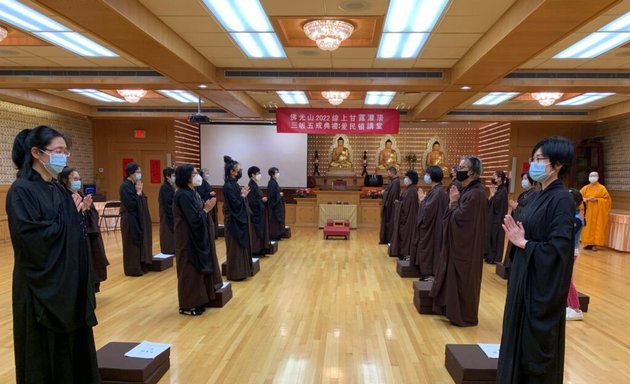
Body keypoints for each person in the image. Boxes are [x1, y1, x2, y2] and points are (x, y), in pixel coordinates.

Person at [7, 126, 100, 383]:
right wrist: (68, 217)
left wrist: (76, 215)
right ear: (37, 153)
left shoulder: (59, 190)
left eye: (65, 152)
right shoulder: (21, 191)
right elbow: (32, 241)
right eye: (58, 151)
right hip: (40, 287)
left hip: (68, 285)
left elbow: (73, 233)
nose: (63, 158)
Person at [497, 136, 575, 383]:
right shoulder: (537, 194)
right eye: (533, 159)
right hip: (523, 275)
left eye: (540, 159)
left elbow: (559, 249)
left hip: (539, 285)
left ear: (558, 164)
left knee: (532, 350)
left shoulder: (561, 199)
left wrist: (524, 243)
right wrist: (517, 238)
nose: (534, 164)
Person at [430, 156, 487, 326]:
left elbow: (461, 221)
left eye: (461, 167)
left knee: (463, 281)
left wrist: (453, 203)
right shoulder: (468, 191)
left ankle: (463, 315)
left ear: (471, 171)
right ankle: (451, 309)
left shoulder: (476, 194)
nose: (457, 170)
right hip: (460, 245)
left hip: (465, 248)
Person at [173, 164, 219, 316]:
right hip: (187, 238)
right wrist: (206, 209)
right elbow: (193, 219)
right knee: (189, 270)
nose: (197, 176)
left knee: (197, 270)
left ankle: (198, 300)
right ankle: (187, 304)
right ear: (185, 177)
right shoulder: (182, 194)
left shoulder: (193, 192)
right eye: (193, 174)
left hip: (197, 236)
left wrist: (205, 209)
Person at [59, 167, 109, 293]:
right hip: (76, 239)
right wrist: (80, 210)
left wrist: (86, 209)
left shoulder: (81, 195)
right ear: (65, 180)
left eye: (79, 179)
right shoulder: (62, 196)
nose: (78, 181)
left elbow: (93, 215)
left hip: (90, 236)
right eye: (75, 179)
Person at [411, 165, 449, 280]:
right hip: (434, 226)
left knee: (432, 250)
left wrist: (422, 200)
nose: (425, 176)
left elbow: (427, 211)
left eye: (427, 174)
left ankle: (432, 274)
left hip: (434, 227)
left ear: (432, 176)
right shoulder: (436, 190)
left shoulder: (438, 192)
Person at [119, 162, 153, 276]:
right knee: (131, 243)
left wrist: (139, 192)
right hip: (129, 219)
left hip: (138, 218)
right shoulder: (125, 186)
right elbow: (131, 204)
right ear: (130, 173)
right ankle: (132, 269)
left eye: (140, 172)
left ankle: (141, 265)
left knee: (140, 241)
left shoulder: (136, 184)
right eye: (137, 172)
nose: (139, 174)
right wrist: (138, 193)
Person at [501, 173, 538, 273]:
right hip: (516, 224)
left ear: (533, 181)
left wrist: (515, 207)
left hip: (523, 228)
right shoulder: (524, 193)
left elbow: (529, 210)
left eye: (526, 179)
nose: (523, 181)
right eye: (523, 179)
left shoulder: (534, 194)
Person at [223, 156, 252, 281]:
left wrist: (242, 194)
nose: (240, 172)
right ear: (232, 171)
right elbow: (234, 204)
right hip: (233, 221)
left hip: (238, 219)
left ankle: (242, 271)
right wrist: (243, 196)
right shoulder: (228, 186)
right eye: (238, 170)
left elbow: (237, 200)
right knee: (234, 247)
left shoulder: (234, 184)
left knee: (240, 247)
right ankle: (235, 273)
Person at [390, 170, 420, 260]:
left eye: (406, 177)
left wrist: (398, 204)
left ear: (410, 179)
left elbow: (406, 207)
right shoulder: (409, 189)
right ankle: (403, 255)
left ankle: (406, 257)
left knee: (406, 238)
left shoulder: (412, 190)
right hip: (405, 218)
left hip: (408, 219)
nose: (405, 179)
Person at [579, 171, 612, 251]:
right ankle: (588, 243)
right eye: (591, 176)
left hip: (598, 211)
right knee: (587, 227)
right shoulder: (585, 188)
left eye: (594, 176)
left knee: (597, 227)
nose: (592, 177)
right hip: (588, 211)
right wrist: (586, 199)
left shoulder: (602, 188)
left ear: (597, 178)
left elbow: (607, 200)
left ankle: (595, 245)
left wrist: (597, 199)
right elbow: (579, 197)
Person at [566, 188, 585, 321]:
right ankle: (570, 305)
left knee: (567, 280)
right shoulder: (570, 215)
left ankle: (576, 308)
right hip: (565, 250)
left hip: (571, 251)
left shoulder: (577, 219)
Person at [485, 170, 509, 264]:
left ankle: (493, 258)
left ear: (499, 178)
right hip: (495, 219)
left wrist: (492, 195)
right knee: (492, 237)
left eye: (494, 176)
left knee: (495, 238)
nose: (493, 178)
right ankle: (490, 256)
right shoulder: (499, 189)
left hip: (497, 219)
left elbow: (495, 205)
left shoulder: (502, 191)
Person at [247, 166, 270, 256]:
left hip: (260, 212)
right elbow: (252, 202)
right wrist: (261, 200)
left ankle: (260, 249)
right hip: (255, 214)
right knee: (256, 233)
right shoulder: (251, 186)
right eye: (258, 173)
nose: (260, 175)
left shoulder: (255, 184)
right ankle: (256, 250)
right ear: (252, 175)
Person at [379, 166, 401, 244]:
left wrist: (384, 193)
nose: (387, 174)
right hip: (389, 205)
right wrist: (385, 191)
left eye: (388, 172)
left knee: (389, 223)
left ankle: (388, 240)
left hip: (390, 206)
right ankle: (385, 239)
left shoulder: (396, 182)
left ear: (391, 172)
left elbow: (392, 195)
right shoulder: (393, 181)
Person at [196, 169, 219, 239]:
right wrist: (209, 194)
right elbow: (201, 194)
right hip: (206, 205)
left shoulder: (206, 182)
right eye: (206, 173)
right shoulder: (200, 183)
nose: (208, 175)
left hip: (211, 205)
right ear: (202, 174)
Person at [158, 167, 175, 254]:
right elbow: (168, 203)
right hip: (166, 214)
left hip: (170, 214)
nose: (174, 177)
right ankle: (168, 250)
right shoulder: (165, 187)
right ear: (167, 177)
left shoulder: (170, 187)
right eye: (173, 175)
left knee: (171, 233)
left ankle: (172, 249)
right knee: (167, 232)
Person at [267, 167, 286, 241]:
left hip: (278, 204)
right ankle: (275, 235)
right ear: (272, 174)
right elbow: (271, 195)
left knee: (279, 219)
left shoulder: (274, 182)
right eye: (276, 172)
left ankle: (279, 234)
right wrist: (279, 194)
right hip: (275, 206)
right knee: (275, 220)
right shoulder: (271, 183)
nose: (278, 174)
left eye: (278, 172)